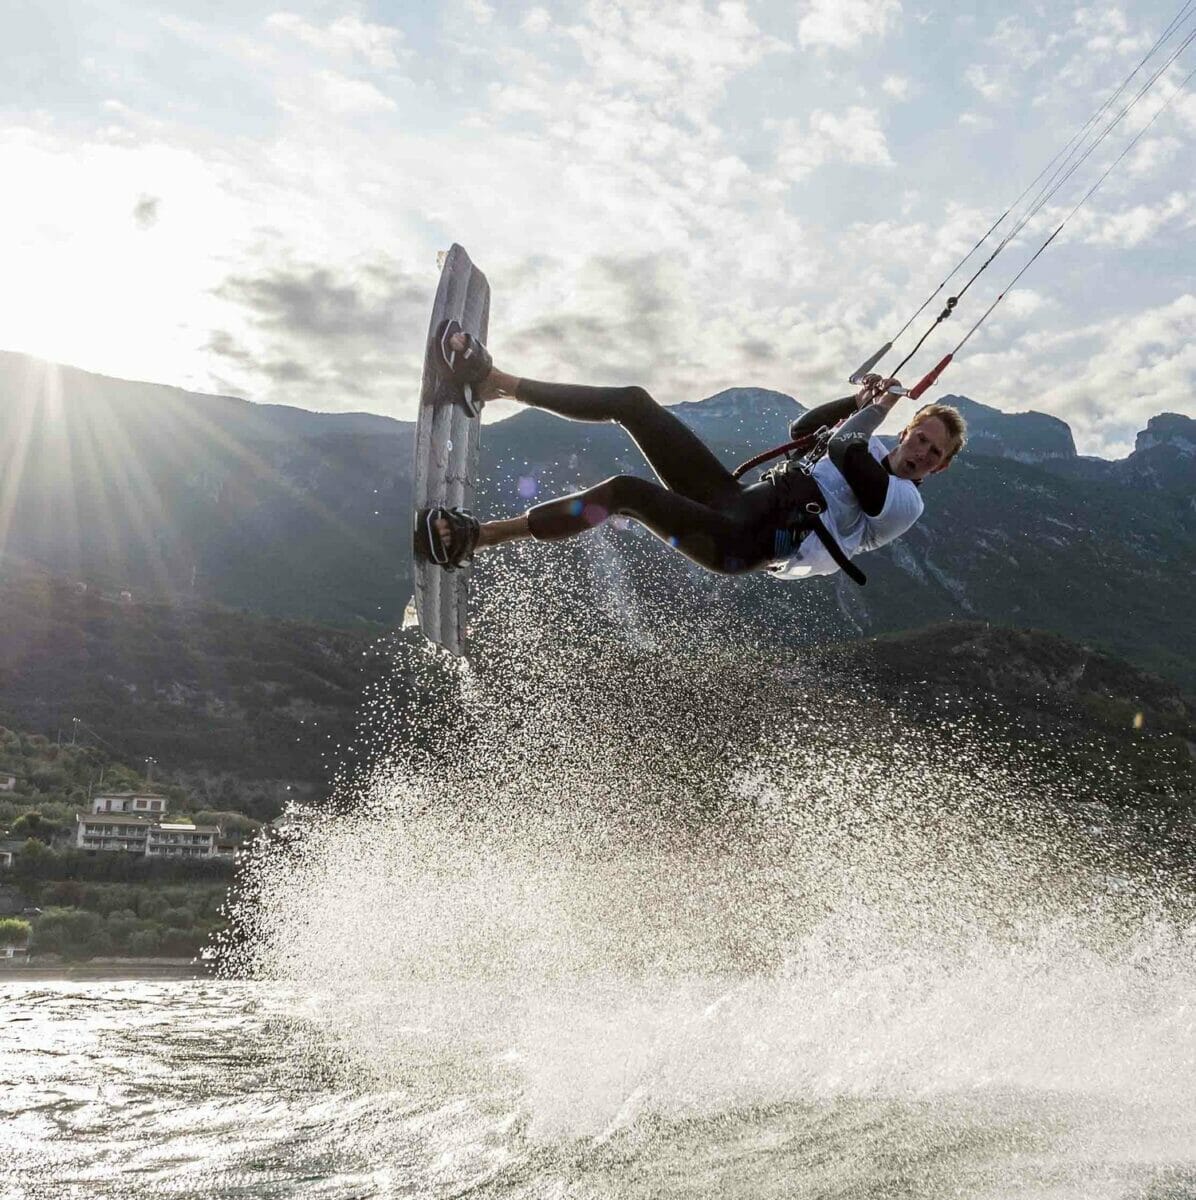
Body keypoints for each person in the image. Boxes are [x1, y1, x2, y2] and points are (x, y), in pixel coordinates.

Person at [416, 329, 966, 584]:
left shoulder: (902, 504)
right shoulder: (870, 443)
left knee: (627, 492)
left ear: (940, 469)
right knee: (635, 403)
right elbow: (805, 429)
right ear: (908, 433)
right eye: (921, 439)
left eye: (934, 454)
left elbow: (846, 449)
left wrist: (876, 406)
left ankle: (479, 537)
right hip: (735, 499)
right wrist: (856, 400)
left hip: (741, 543)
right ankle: (495, 382)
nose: (922, 454)